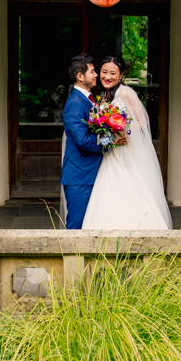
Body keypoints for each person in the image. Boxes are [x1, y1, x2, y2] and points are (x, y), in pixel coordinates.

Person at [82, 56, 173, 230]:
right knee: (110, 189)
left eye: (113, 73)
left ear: (121, 75)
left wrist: (123, 130)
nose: (107, 77)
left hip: (125, 150)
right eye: (104, 72)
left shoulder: (124, 92)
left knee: (129, 186)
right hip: (112, 151)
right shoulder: (105, 94)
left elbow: (143, 120)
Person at [60, 53, 127, 230]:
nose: (97, 75)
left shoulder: (88, 99)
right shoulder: (75, 102)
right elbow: (82, 140)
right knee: (76, 224)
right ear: (80, 76)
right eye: (92, 71)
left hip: (90, 173)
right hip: (80, 176)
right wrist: (111, 139)